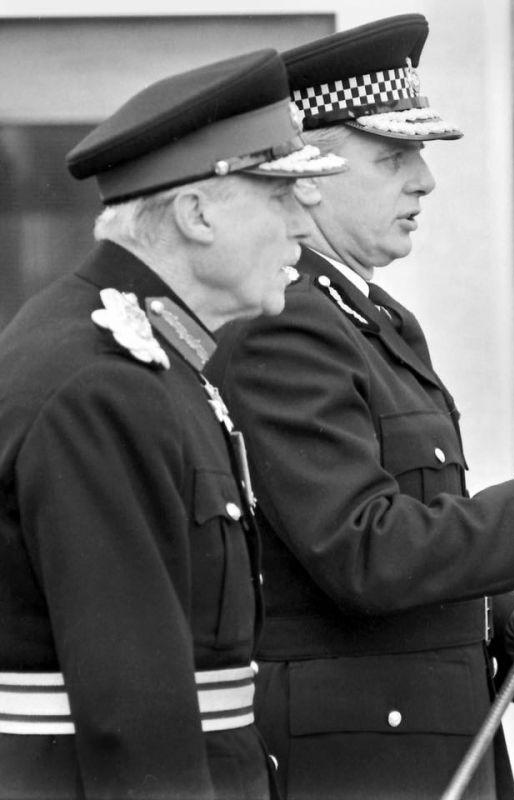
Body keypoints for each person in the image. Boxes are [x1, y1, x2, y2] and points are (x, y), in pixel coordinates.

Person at [204, 16, 514, 800]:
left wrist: (497, 619)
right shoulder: (287, 319)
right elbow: (361, 552)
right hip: (357, 766)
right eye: (394, 157)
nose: (425, 181)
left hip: (410, 747)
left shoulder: (364, 314)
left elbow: (399, 525)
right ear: (307, 174)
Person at [0, 49, 345, 800]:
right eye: (279, 195)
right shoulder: (98, 382)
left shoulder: (154, 363)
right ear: (196, 214)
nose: (302, 221)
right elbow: (132, 715)